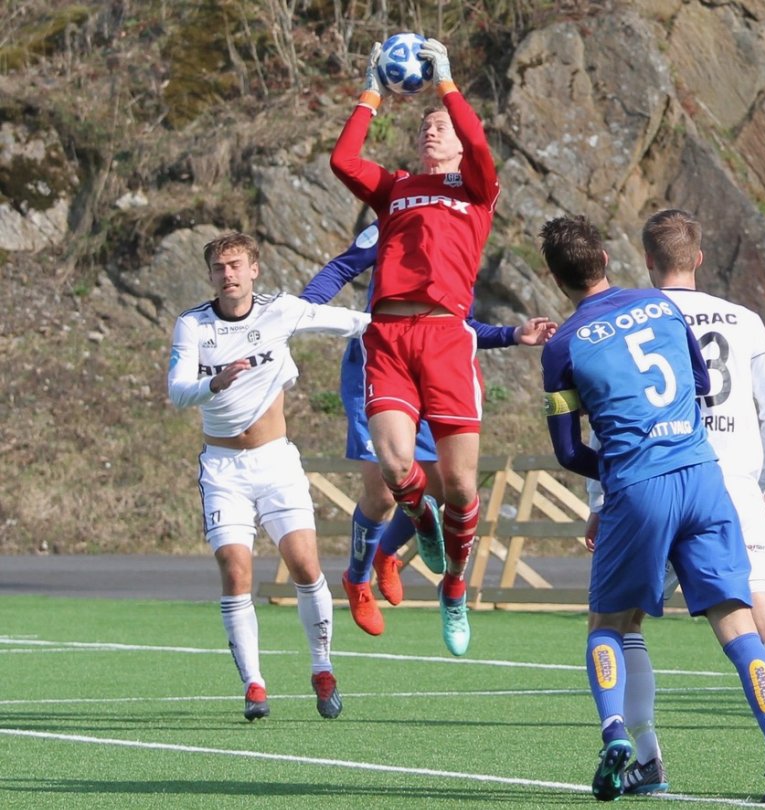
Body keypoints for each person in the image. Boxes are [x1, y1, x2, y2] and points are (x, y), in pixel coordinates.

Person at [538, 214, 765, 803]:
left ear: (557, 279)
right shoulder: (661, 307)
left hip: (638, 487)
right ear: (607, 259)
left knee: (609, 625)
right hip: (705, 477)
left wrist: (622, 469)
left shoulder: (561, 346)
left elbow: (567, 450)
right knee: (740, 629)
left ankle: (618, 735)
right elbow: (701, 383)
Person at [300, 224, 556, 637]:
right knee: (384, 491)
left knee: (441, 486)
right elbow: (340, 269)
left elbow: (461, 326)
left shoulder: (460, 233)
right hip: (379, 364)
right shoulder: (392, 222)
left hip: (433, 368)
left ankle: (386, 552)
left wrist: (512, 335)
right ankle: (357, 580)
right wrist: (297, 313)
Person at [329, 37, 499, 656]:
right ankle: (419, 521)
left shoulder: (475, 187)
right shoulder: (397, 187)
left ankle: (454, 588)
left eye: (442, 125)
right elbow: (344, 160)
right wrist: (371, 90)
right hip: (389, 337)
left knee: (460, 485)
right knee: (398, 469)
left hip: (446, 336)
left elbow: (477, 142)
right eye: (425, 124)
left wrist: (448, 85)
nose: (432, 130)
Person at [166, 231, 370, 721]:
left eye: (236, 265)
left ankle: (322, 667)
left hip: (276, 462)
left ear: (254, 269)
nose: (228, 274)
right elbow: (177, 391)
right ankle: (254, 685)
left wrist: (434, 327)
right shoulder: (193, 325)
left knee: (304, 565)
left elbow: (354, 322)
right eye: (219, 268)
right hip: (223, 469)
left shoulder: (280, 311)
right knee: (235, 568)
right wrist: (213, 383)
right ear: (210, 275)